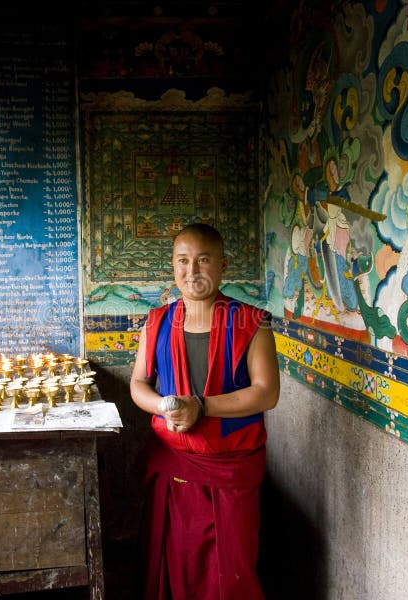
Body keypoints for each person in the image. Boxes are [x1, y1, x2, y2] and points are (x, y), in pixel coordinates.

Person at [130, 223, 280, 599]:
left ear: (223, 265)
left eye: (203, 260)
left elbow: (266, 393)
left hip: (230, 468)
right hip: (175, 465)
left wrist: (202, 407)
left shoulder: (251, 324)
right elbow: (138, 385)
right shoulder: (156, 322)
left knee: (231, 573)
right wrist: (165, 408)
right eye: (183, 261)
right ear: (172, 265)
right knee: (176, 564)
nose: (192, 271)